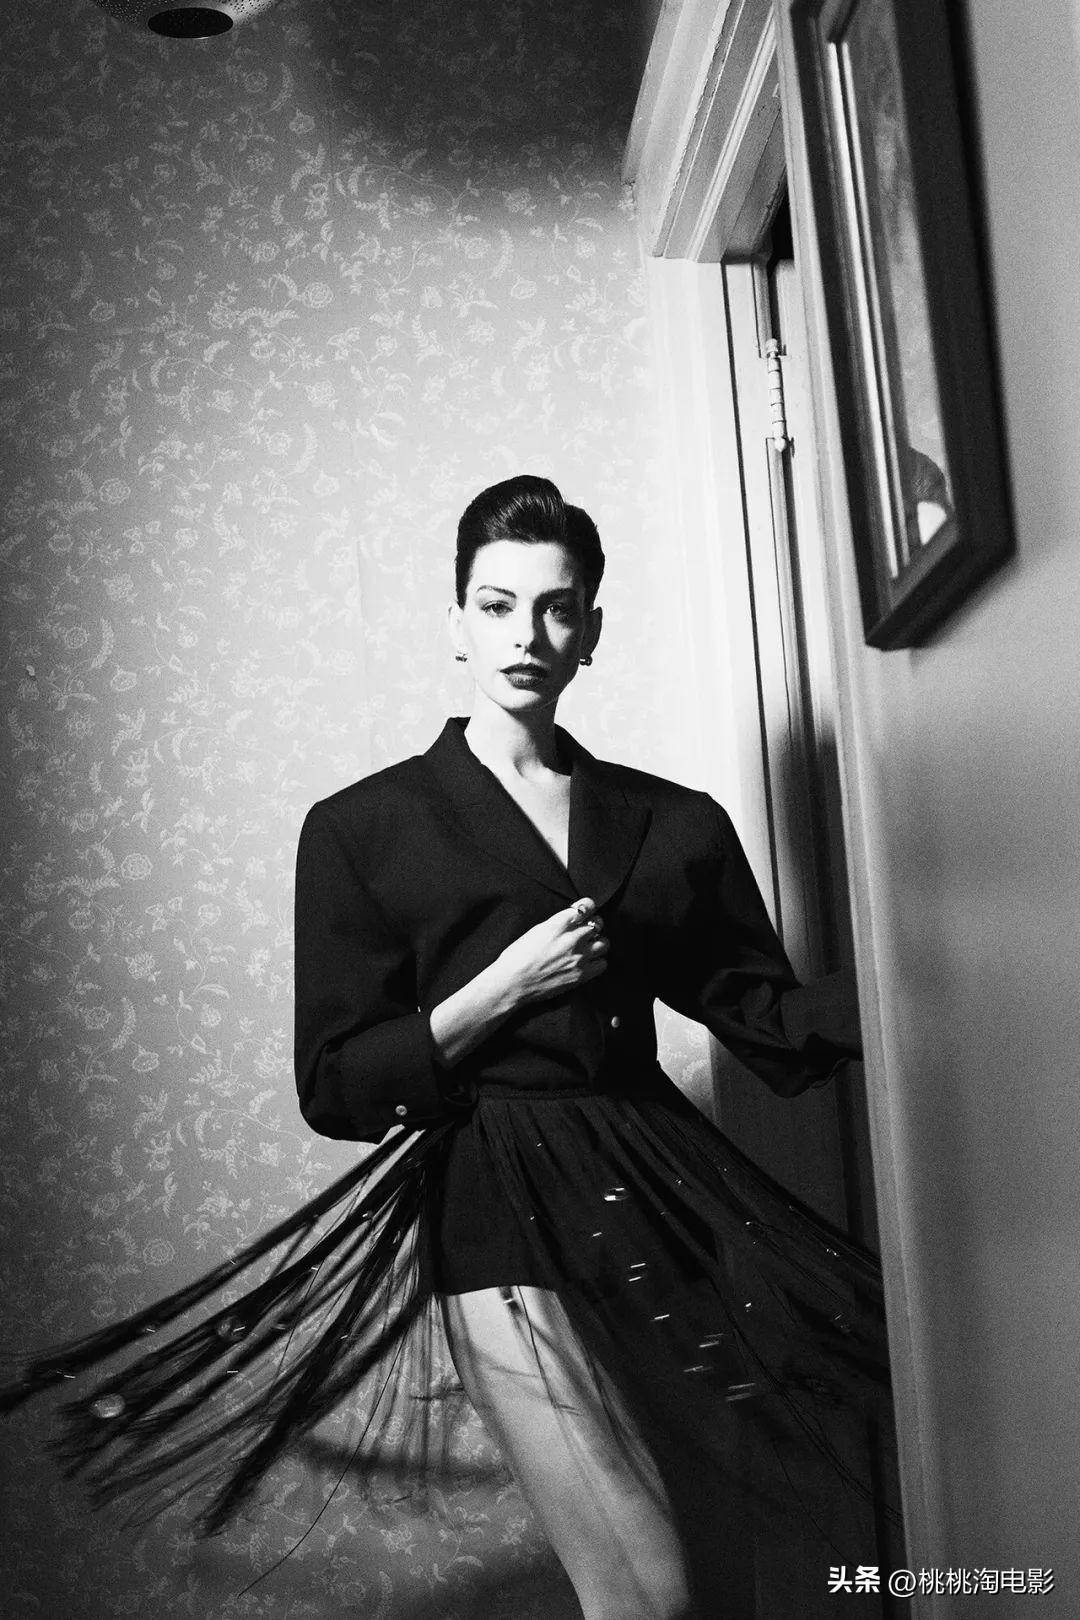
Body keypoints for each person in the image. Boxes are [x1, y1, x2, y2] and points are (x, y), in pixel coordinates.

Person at [2, 475, 893, 1618]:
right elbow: (335, 1084)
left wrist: (938, 986)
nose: (528, 635)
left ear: (593, 630)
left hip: (664, 1198)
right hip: (495, 1206)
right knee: (646, 1587)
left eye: (557, 609)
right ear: (456, 625)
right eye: (497, 605)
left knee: (730, 1566)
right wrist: (496, 993)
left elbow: (767, 1021)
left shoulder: (676, 824)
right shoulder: (363, 828)